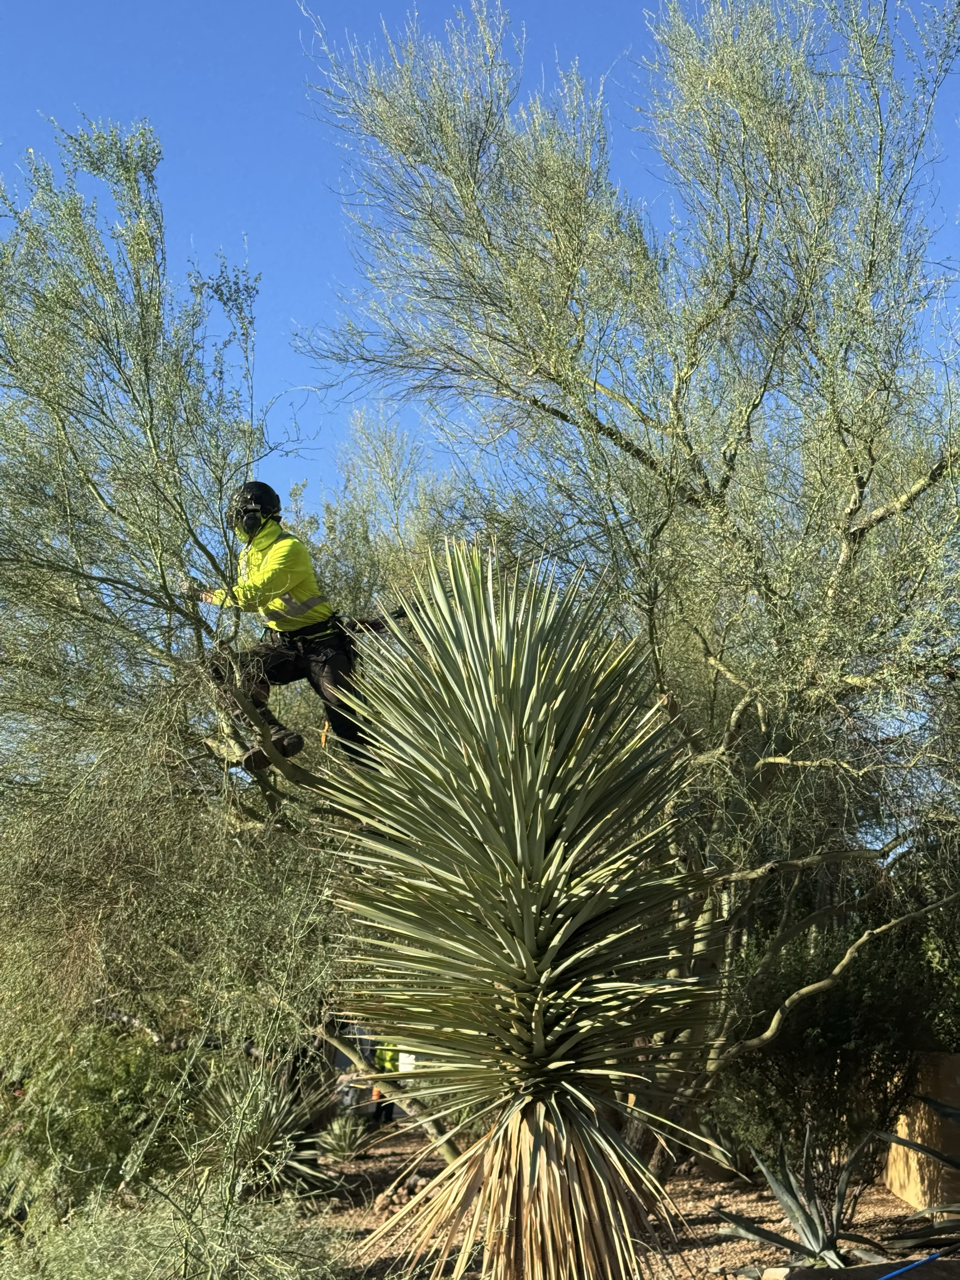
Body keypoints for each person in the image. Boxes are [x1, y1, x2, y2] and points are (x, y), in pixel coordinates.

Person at [201, 480, 365, 772]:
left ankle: (377, 787)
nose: (237, 525)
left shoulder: (289, 547)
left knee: (346, 719)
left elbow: (254, 595)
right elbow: (250, 599)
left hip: (323, 645)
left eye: (240, 516)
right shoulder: (248, 555)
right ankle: (274, 734)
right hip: (283, 645)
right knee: (223, 670)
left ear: (255, 515)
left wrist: (209, 595)